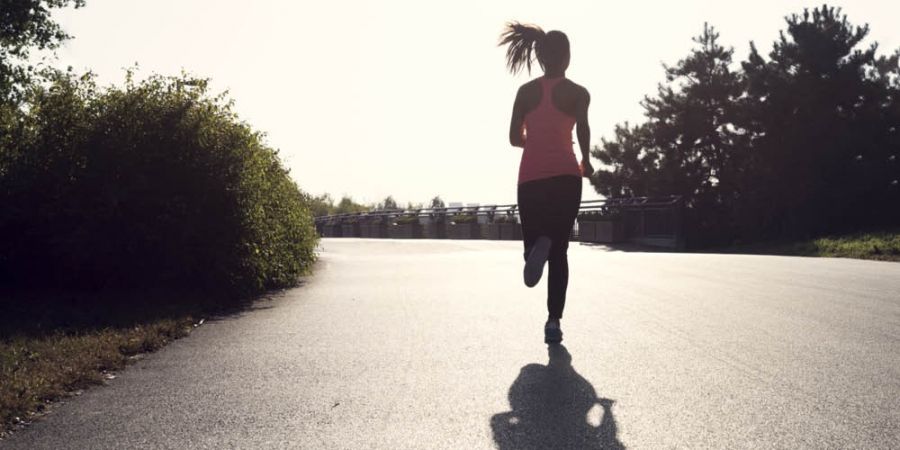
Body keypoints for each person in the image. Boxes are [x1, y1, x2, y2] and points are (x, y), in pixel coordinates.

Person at [499, 22, 594, 344]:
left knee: (535, 248)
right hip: (568, 175)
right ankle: (553, 321)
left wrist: (535, 139)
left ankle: (536, 247)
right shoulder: (579, 93)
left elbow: (514, 138)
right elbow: (583, 130)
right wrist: (588, 160)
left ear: (540, 58)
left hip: (531, 178)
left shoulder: (525, 92)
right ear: (567, 57)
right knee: (561, 251)